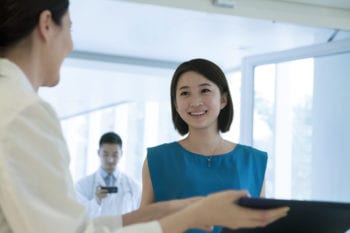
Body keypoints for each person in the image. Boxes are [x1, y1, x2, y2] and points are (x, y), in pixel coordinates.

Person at [0, 1, 289, 232]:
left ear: (224, 98)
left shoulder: (11, 103)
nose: (71, 45)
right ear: (47, 24)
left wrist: (152, 215)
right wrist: (191, 217)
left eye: (205, 91)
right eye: (71, 29)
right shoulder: (24, 112)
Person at [140, 58, 269, 233]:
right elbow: (142, 227)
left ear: (223, 100)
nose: (195, 102)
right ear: (176, 104)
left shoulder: (253, 161)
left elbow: (261, 226)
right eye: (185, 93)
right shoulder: (157, 160)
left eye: (205, 90)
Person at [75, 132, 141, 217]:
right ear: (99, 153)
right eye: (105, 154)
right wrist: (96, 201)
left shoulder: (134, 186)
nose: (110, 160)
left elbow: (140, 217)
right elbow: (79, 216)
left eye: (115, 155)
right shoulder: (82, 185)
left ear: (121, 154)